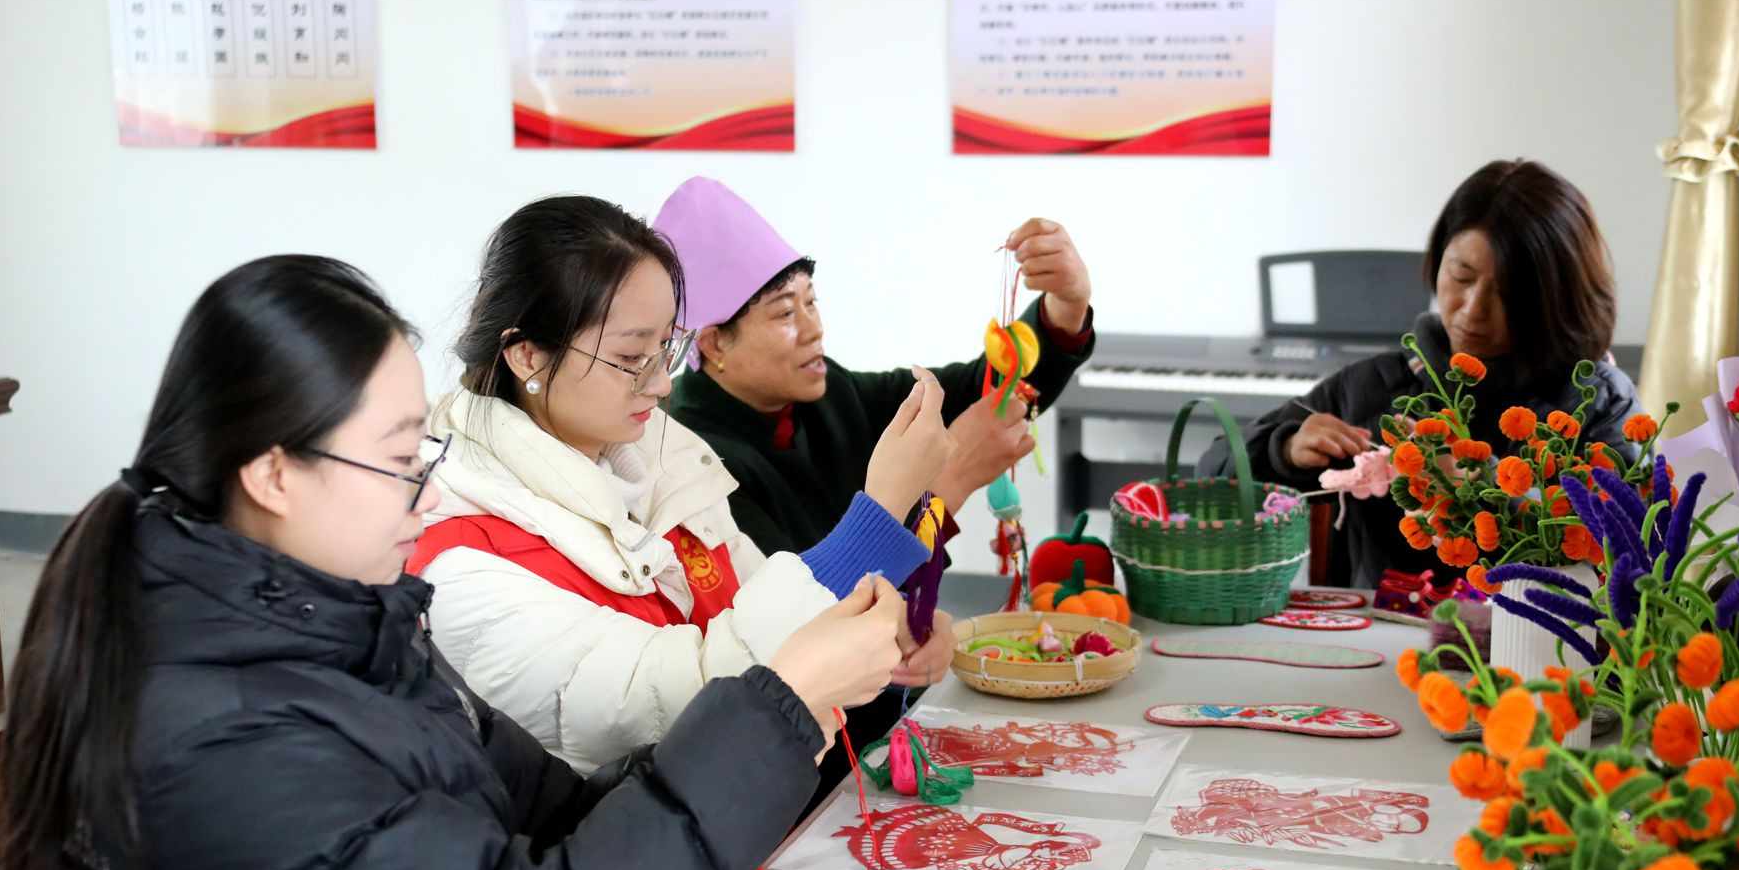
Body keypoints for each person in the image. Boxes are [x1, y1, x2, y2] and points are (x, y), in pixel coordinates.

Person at [0, 255, 906, 870]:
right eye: (398, 461)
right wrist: (775, 704)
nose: (429, 494)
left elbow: (560, 818)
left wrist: (781, 714)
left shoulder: (357, 622)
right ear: (272, 474)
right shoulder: (215, 739)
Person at [409, 196, 954, 779]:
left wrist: (884, 627)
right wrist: (879, 516)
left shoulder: (659, 459)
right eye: (630, 356)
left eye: (666, 348)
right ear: (527, 355)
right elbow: (693, 698)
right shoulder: (461, 554)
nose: (663, 383)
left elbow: (765, 602)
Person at [1198, 159, 1643, 589]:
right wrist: (1286, 449)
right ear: (1438, 262)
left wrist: (1481, 486)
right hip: (1377, 645)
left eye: (1507, 292)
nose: (1472, 310)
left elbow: (1633, 544)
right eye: (1461, 276)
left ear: (1555, 296)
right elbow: (1213, 469)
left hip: (1540, 649)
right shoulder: (1372, 386)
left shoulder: (1596, 400)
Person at [658, 176, 1099, 558]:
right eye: (785, 314)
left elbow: (981, 391)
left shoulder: (826, 394)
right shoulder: (690, 460)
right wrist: (953, 477)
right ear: (714, 343)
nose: (815, 329)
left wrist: (1067, 305)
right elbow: (810, 613)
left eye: (812, 301)